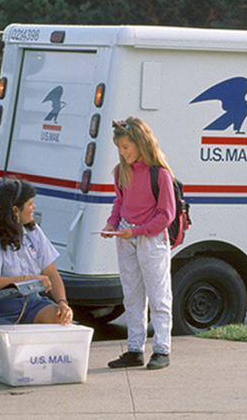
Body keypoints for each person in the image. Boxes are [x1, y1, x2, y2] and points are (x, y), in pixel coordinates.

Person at [0, 178, 73, 371]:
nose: (34, 207)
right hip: (0, 308)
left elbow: (51, 273)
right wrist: (26, 279)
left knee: (60, 318)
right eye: (29, 204)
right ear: (15, 210)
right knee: (19, 364)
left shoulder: (33, 232)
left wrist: (63, 303)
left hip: (32, 303)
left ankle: (4, 354)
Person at [101, 117, 175, 370]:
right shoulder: (121, 172)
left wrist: (137, 232)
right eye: (120, 148)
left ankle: (162, 350)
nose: (123, 152)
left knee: (158, 295)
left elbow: (166, 215)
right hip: (126, 237)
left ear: (140, 143)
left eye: (126, 147)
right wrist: (112, 224)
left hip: (151, 240)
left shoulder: (160, 174)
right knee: (132, 296)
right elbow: (119, 204)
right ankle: (134, 349)